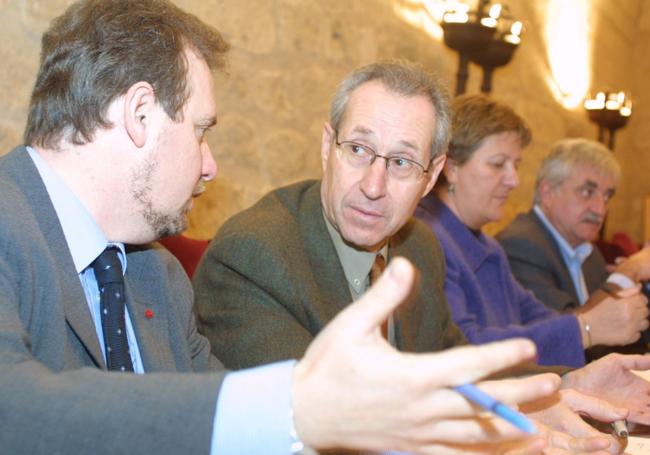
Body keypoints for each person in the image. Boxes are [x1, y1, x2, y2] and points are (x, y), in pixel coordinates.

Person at [0, 1, 566, 454]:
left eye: (400, 162)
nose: (210, 164)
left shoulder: (154, 273)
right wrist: (295, 407)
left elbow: (231, 421)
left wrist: (540, 405)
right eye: (201, 131)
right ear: (140, 115)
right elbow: (15, 410)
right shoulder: (10, 222)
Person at [194, 63, 650, 453]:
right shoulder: (253, 254)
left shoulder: (417, 246)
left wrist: (563, 384)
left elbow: (455, 360)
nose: (373, 186)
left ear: (431, 177)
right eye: (357, 150)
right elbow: (325, 419)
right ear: (326, 145)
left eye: (401, 163)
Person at [414, 94, 648, 368]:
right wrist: (586, 328)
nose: (514, 180)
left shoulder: (489, 246)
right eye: (498, 164)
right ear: (451, 167)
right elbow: (461, 350)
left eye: (516, 165)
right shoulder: (423, 238)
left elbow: (538, 317)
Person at [497, 138, 650, 356]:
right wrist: (627, 272)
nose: (600, 209)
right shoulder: (521, 245)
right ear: (548, 192)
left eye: (607, 196)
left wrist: (637, 284)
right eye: (587, 192)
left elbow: (625, 332)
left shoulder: (587, 250)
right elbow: (562, 335)